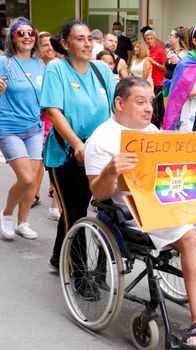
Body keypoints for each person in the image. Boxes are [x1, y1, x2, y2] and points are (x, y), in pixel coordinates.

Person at [84, 76, 196, 349]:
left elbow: (182, 176)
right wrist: (111, 170)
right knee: (189, 236)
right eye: (140, 102)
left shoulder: (154, 133)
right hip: (132, 212)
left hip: (170, 202)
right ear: (119, 103)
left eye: (150, 102)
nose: (148, 108)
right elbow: (98, 192)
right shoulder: (102, 139)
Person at [42, 20, 117, 270]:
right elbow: (54, 111)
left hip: (100, 152)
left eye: (89, 39)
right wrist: (76, 144)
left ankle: (56, 255)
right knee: (75, 212)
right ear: (65, 44)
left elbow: (117, 107)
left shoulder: (101, 70)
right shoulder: (56, 69)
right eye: (79, 38)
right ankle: (78, 273)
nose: (87, 44)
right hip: (66, 154)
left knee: (79, 210)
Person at [0, 17, 45, 240]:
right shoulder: (4, 62)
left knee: (34, 182)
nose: (27, 37)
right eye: (21, 33)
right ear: (13, 37)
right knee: (26, 179)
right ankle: (6, 214)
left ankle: (22, 222)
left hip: (35, 128)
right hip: (8, 128)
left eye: (31, 33)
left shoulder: (40, 64)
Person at [36, 31, 61, 221]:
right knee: (38, 165)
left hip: (57, 123)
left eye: (51, 44)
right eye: (45, 44)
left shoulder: (59, 67)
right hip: (39, 123)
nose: (49, 48)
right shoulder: (37, 68)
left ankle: (55, 199)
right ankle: (33, 193)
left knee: (56, 164)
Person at [144, 29, 166, 127]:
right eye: (147, 39)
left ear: (155, 39)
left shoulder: (160, 51)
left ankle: (157, 126)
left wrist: (154, 63)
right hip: (147, 83)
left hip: (158, 84)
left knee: (156, 109)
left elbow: (165, 68)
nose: (149, 40)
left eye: (151, 38)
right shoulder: (144, 51)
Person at [163, 26, 188, 103]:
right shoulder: (169, 51)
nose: (169, 37)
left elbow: (188, 70)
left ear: (177, 38)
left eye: (171, 36)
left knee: (174, 108)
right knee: (166, 107)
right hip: (166, 83)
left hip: (176, 85)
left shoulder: (185, 53)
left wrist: (179, 62)